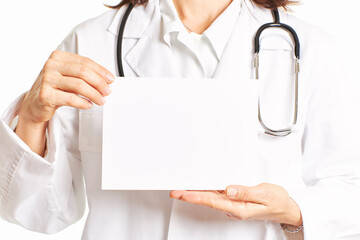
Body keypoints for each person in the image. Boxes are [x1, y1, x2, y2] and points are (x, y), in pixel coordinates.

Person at [0, 0, 359, 239]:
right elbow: (41, 213)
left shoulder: (310, 49)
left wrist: (294, 211)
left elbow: (349, 191)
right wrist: (32, 118)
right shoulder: (89, 41)